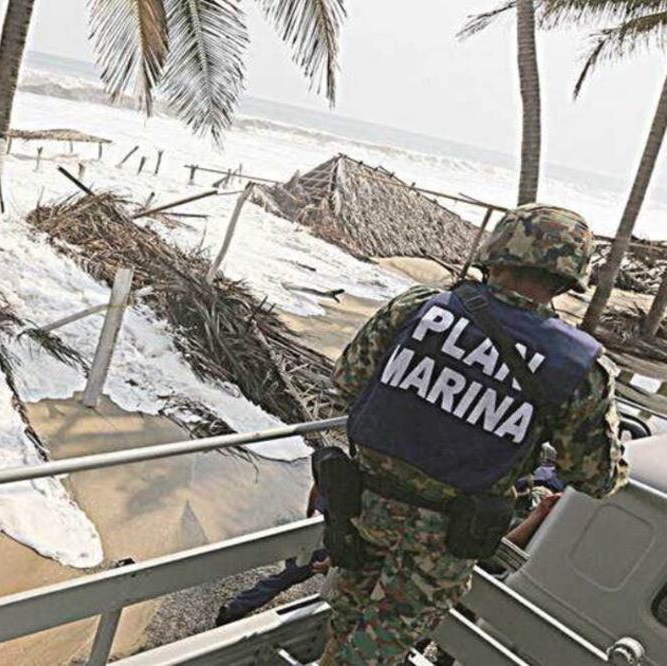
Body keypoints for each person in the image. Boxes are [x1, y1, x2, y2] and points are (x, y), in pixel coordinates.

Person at [320, 204, 630, 665]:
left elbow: (348, 380)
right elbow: (596, 478)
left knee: (344, 621)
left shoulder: (419, 306)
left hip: (364, 508)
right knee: (376, 653)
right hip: (442, 541)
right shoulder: (580, 368)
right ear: (568, 279)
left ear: (496, 254)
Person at [215, 484, 331, 625]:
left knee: (285, 576)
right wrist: (331, 560)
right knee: (295, 577)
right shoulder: (356, 482)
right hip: (328, 543)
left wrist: (309, 519)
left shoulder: (329, 467)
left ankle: (235, 607)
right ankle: (235, 608)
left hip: (313, 532)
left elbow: (317, 486)